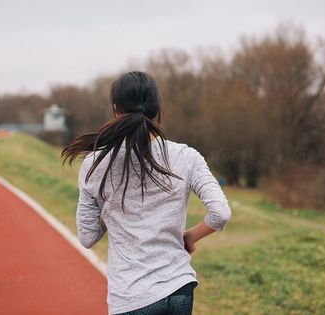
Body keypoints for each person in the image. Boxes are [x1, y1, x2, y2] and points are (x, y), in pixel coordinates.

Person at [61, 71, 232, 315]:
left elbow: (88, 237)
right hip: (179, 289)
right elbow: (221, 213)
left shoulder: (95, 163)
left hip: (131, 296)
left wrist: (110, 209)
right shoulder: (187, 156)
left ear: (115, 108)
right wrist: (191, 236)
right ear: (157, 107)